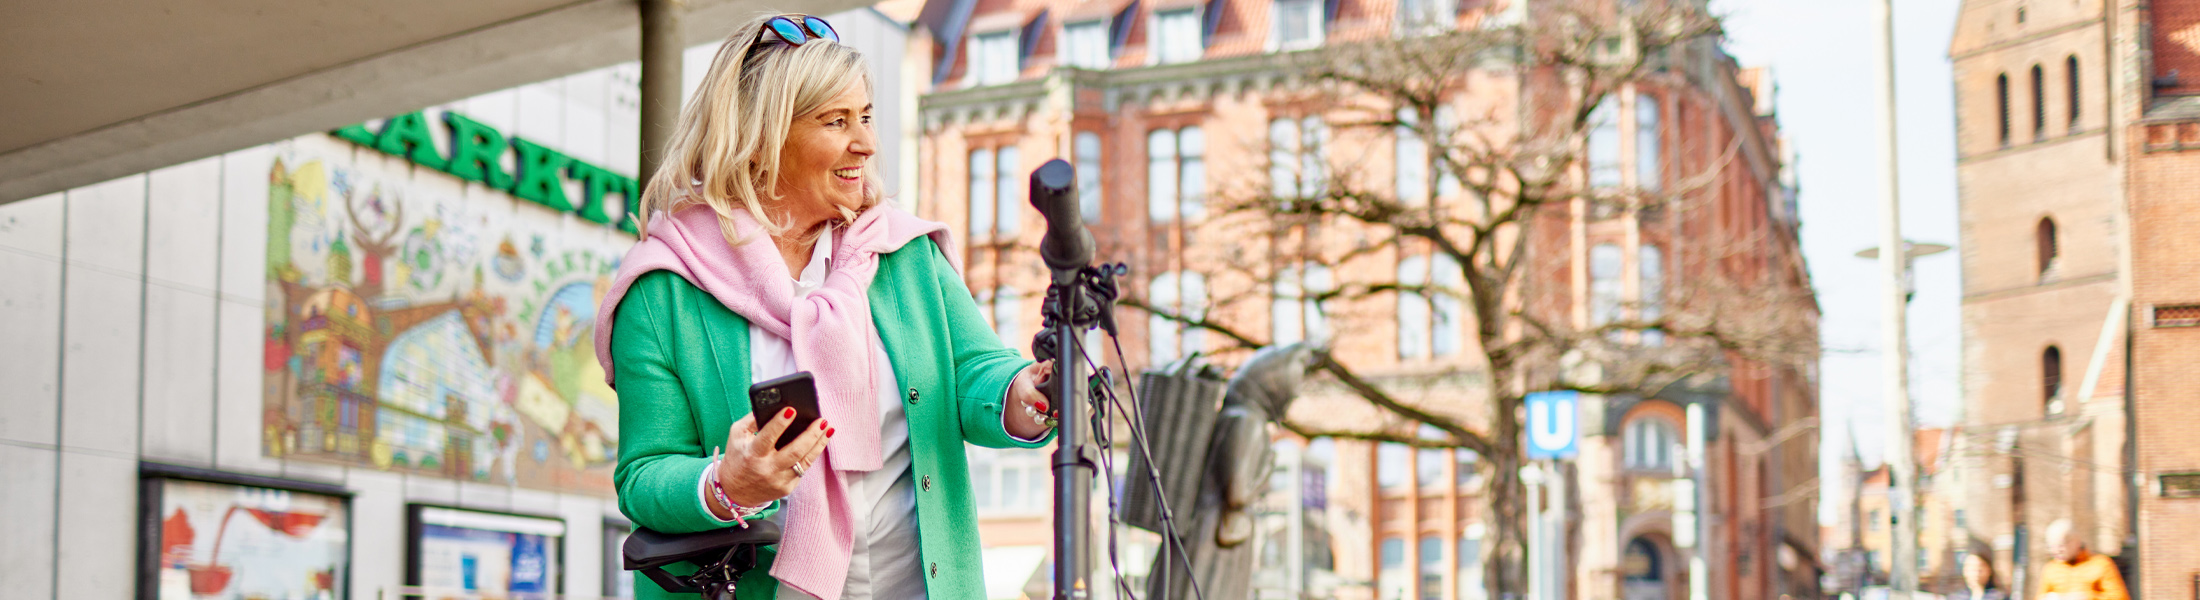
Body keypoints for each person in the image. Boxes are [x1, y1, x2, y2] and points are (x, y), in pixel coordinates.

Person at [592, 13, 1057, 600]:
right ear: (762, 137)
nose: (864, 142)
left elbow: (975, 375)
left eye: (864, 117)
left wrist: (1030, 392)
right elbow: (644, 475)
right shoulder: (664, 291)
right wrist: (725, 483)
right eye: (836, 122)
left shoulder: (903, 255)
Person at [2039, 518, 2128, 600]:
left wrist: (2088, 597)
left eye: (2060, 546)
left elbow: (2121, 598)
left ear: (2075, 541)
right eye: (2051, 547)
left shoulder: (2102, 565)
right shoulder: (2050, 569)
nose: (2055, 552)